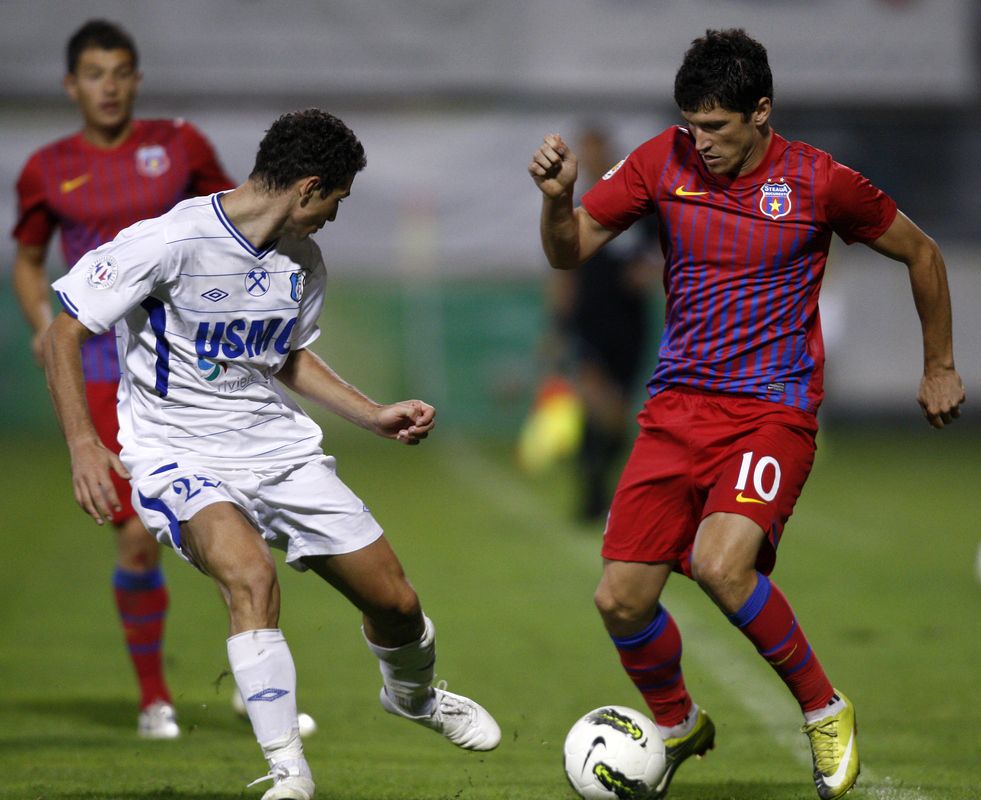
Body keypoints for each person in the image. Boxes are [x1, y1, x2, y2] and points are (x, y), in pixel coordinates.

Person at [530, 28, 964, 800]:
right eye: (693, 125)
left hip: (772, 410)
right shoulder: (663, 161)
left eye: (718, 129)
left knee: (718, 564)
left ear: (762, 112)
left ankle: (824, 709)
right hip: (675, 409)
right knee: (619, 600)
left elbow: (922, 253)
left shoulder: (821, 183)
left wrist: (937, 366)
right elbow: (571, 251)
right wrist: (558, 202)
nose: (703, 143)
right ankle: (677, 722)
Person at [43, 108, 501, 800]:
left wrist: (371, 414)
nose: (334, 219)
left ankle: (414, 696)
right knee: (250, 577)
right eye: (337, 202)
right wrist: (84, 442)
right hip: (178, 453)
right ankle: (289, 773)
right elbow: (62, 334)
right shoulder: (168, 240)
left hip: (278, 451)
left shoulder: (302, 260)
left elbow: (283, 355)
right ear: (309, 187)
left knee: (397, 604)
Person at [9, 18, 233, 739]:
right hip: (104, 370)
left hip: (187, 365)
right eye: (95, 74)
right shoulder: (46, 167)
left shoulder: (180, 147)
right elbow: (27, 258)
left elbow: (235, 221)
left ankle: (256, 674)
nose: (109, 86)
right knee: (137, 538)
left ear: (137, 79)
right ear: (72, 85)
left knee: (235, 519)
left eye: (121, 72)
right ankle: (154, 699)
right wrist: (46, 328)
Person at [545, 125, 657, 521]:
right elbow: (562, 269)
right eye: (587, 152)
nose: (592, 159)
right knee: (598, 404)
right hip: (589, 322)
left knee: (617, 416)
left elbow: (660, 256)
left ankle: (597, 479)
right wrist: (558, 326)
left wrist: (648, 273)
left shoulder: (640, 207)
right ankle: (591, 489)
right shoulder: (578, 205)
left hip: (630, 324)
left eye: (598, 151)